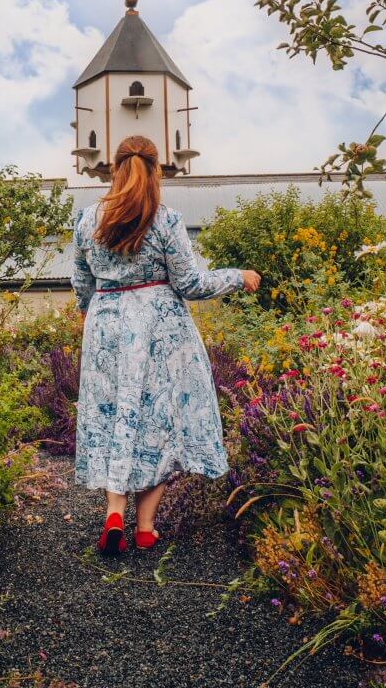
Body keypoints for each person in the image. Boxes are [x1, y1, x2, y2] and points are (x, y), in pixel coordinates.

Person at [71, 135, 261, 554]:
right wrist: (237, 276)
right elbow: (190, 283)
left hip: (106, 325)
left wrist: (100, 318)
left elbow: (82, 286)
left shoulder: (87, 220)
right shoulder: (165, 219)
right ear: (157, 170)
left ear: (113, 168)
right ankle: (145, 527)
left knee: (113, 415)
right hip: (159, 327)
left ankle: (114, 514)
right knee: (157, 419)